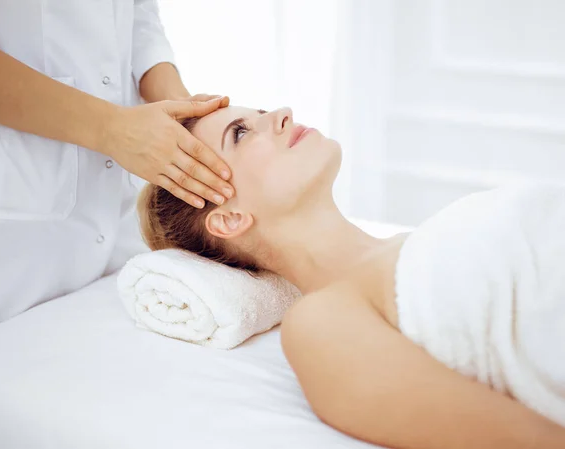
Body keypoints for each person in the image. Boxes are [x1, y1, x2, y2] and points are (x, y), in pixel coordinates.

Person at [138, 105, 565, 449]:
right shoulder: (320, 323)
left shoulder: (416, 242)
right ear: (230, 218)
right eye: (241, 133)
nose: (282, 113)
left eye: (261, 113)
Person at [0, 2, 237, 338]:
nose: (284, 115)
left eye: (240, 132)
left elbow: (136, 12)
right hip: (3, 223)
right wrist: (111, 129)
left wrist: (184, 108)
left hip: (111, 224)